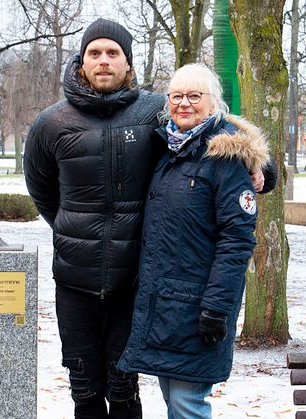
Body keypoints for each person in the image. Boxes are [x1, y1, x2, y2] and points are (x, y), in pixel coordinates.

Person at [24, 18, 275, 419]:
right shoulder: (52, 122)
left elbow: (214, 129)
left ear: (128, 63)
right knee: (83, 386)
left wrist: (266, 168)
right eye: (95, 53)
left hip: (136, 281)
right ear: (81, 61)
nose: (103, 61)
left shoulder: (155, 111)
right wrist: (76, 231)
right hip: (74, 278)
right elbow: (42, 190)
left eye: (113, 53)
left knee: (124, 387)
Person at [117, 63, 269, 419]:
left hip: (201, 307)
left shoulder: (226, 157)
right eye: (177, 96)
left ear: (213, 103)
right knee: (174, 399)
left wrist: (216, 307)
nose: (184, 104)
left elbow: (237, 240)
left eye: (194, 96)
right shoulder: (167, 148)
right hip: (165, 305)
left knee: (186, 405)